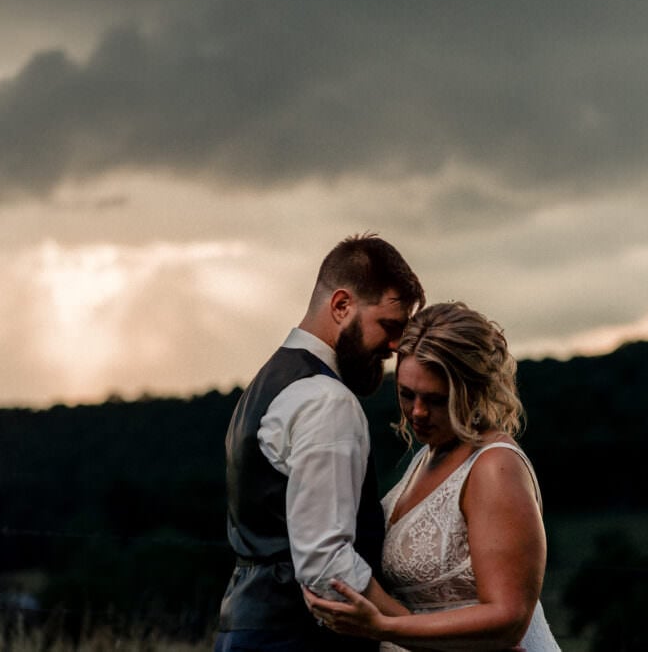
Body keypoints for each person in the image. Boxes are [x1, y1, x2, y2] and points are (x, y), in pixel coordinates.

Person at [305, 301, 561, 651]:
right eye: (406, 395)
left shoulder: (495, 467)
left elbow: (510, 618)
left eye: (436, 400)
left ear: (474, 391)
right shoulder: (427, 457)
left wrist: (384, 627)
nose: (418, 412)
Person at [214, 234, 426, 652]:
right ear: (342, 305)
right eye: (390, 326)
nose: (397, 346)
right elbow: (327, 565)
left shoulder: (265, 386)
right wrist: (416, 636)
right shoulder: (326, 400)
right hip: (297, 640)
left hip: (246, 629)